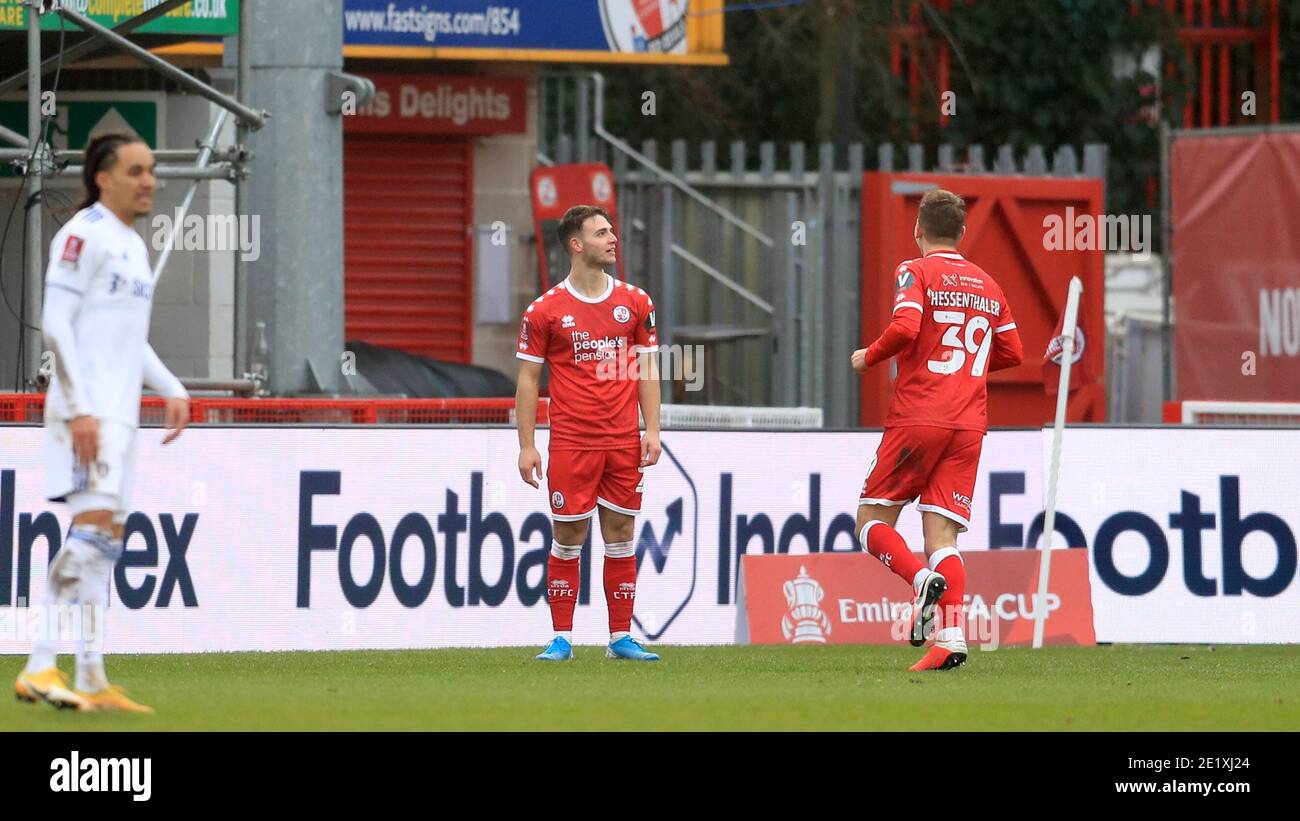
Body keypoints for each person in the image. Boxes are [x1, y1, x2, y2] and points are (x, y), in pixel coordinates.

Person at [14, 133, 190, 712]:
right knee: (89, 534)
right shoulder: (80, 235)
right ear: (102, 178)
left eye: (152, 170)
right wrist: (82, 406)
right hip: (83, 412)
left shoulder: (133, 248)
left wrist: (170, 387)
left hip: (120, 415)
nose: (149, 181)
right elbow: (55, 325)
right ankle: (40, 664)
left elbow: (129, 338)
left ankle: (90, 673)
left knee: (105, 544)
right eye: (136, 170)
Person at [851, 189, 1023, 671]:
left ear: (918, 230)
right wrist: (965, 371)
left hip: (918, 415)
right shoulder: (988, 284)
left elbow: (906, 328)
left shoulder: (916, 270)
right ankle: (950, 638)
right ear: (963, 232)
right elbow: (1012, 352)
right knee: (942, 534)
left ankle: (918, 579)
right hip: (969, 423)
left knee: (870, 522)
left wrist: (869, 356)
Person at [515, 205, 662, 662]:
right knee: (569, 534)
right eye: (601, 233)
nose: (613, 238)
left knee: (621, 533)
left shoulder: (636, 301)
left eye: (611, 230)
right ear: (576, 245)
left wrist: (652, 428)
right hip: (572, 443)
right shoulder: (545, 311)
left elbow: (648, 368)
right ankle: (561, 637)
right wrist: (526, 445)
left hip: (621, 441)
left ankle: (620, 638)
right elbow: (526, 380)